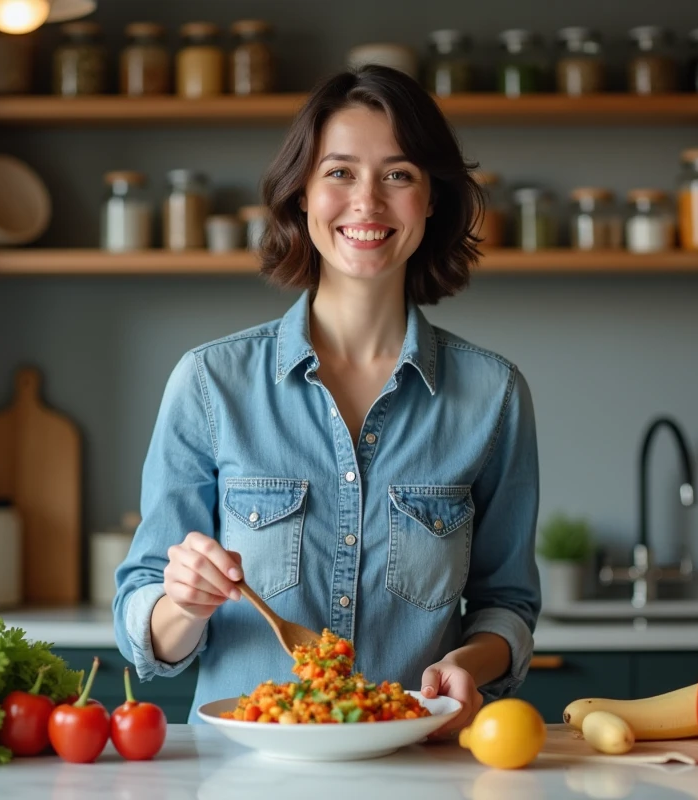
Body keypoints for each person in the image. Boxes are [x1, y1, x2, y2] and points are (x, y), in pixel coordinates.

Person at [114, 65, 540, 736]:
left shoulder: (493, 396)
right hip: (245, 777)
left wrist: (469, 660)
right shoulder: (209, 383)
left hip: (417, 769)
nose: (366, 203)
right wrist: (183, 604)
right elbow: (145, 633)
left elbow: (506, 603)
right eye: (339, 173)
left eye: (398, 175)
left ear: (431, 199)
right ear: (302, 194)